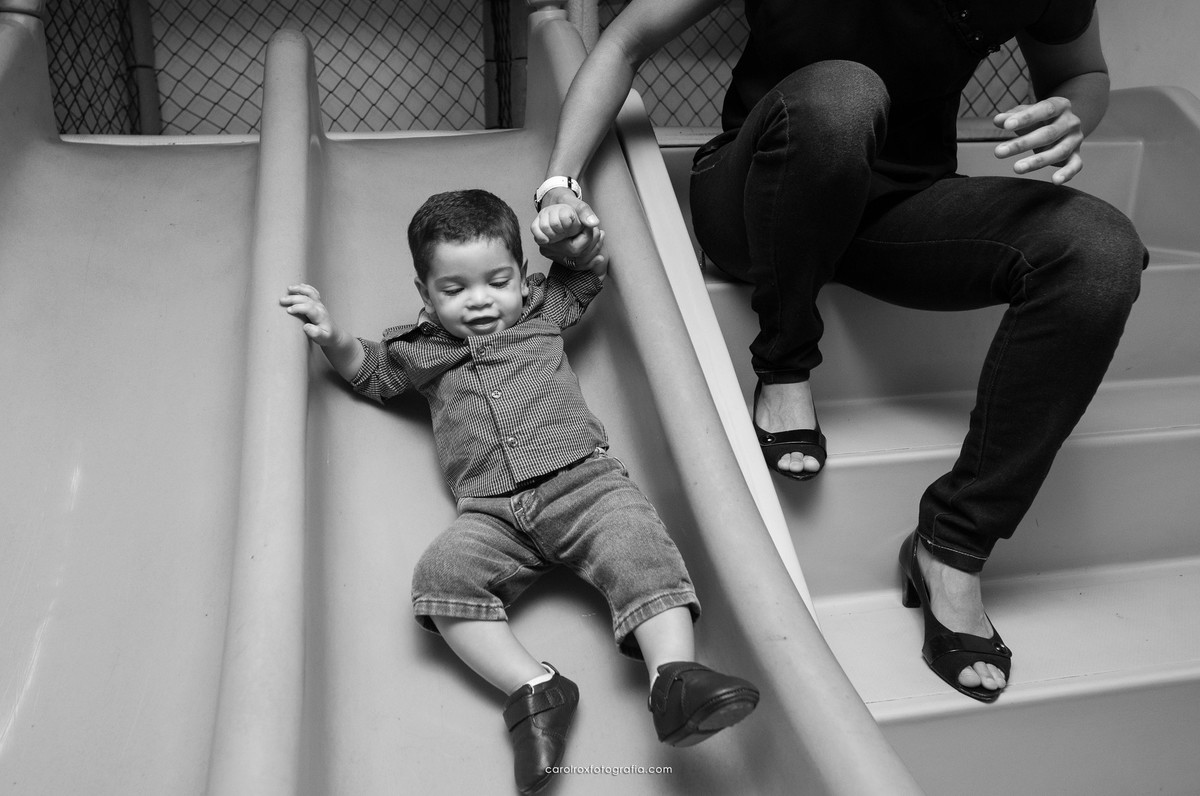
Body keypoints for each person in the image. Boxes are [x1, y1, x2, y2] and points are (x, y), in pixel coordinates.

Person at [531, 1, 1147, 703]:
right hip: (761, 191)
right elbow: (626, 41)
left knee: (1101, 253)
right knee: (844, 94)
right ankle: (785, 360)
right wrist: (561, 182)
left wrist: (1075, 112)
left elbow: (1082, 72)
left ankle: (952, 547)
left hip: (899, 209)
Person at [279, 189, 759, 794]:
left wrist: (572, 230)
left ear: (524, 278)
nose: (480, 301)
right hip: (491, 514)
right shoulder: (421, 352)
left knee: (639, 546)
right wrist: (331, 336)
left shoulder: (541, 314)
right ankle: (535, 689)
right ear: (425, 294)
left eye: (498, 281)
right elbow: (372, 372)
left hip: (583, 484)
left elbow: (587, 270)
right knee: (439, 577)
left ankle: (676, 681)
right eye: (454, 290)